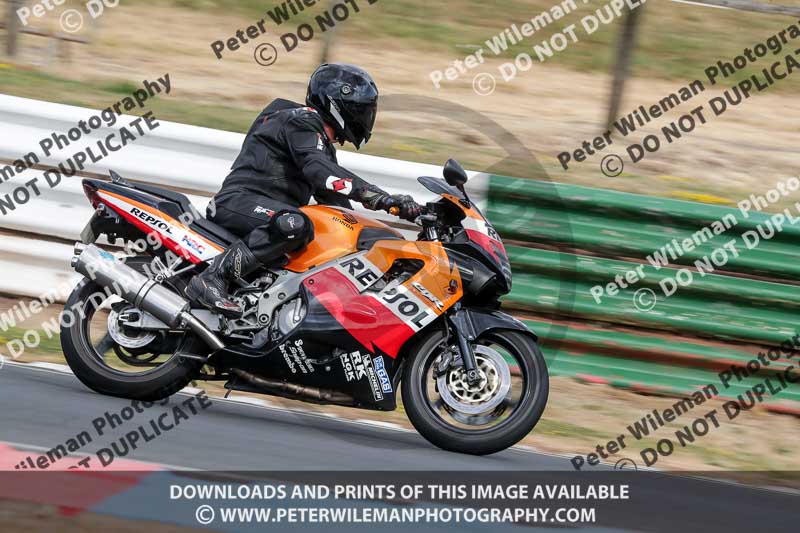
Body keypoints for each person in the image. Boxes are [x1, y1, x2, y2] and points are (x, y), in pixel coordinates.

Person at [186, 63, 421, 318]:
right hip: (239, 202)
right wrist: (382, 199)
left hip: (269, 215)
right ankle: (212, 278)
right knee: (296, 223)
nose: (364, 116)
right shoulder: (300, 120)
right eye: (360, 109)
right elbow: (320, 171)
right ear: (338, 104)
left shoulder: (319, 143)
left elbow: (340, 210)